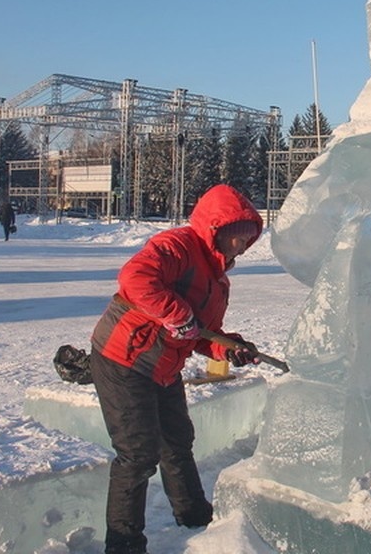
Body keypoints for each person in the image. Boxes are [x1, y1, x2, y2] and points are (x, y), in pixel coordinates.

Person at [89, 184, 263, 554]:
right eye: (235, 236)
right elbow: (135, 277)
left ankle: (193, 513)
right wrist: (176, 313)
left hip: (163, 366)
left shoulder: (219, 281)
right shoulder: (178, 246)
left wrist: (231, 348)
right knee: (138, 453)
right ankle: (123, 543)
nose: (241, 246)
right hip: (124, 358)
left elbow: (199, 333)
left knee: (177, 441)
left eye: (248, 238)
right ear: (215, 229)